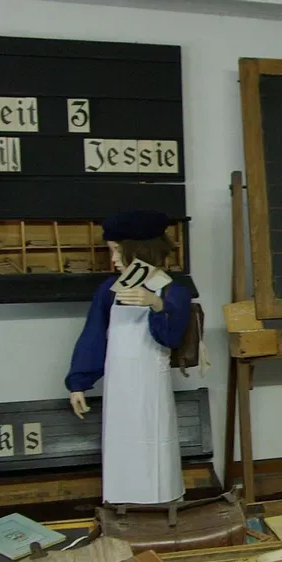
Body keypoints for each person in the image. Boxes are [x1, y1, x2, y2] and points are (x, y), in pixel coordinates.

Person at [65, 210, 192, 505]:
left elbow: (171, 338)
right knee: (122, 449)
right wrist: (78, 383)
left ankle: (163, 509)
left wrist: (158, 304)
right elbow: (93, 336)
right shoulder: (108, 292)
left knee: (155, 451)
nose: (114, 260)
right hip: (119, 389)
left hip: (152, 390)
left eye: (118, 251)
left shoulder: (173, 291)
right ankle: (122, 509)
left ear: (140, 251)